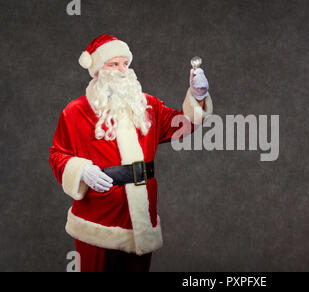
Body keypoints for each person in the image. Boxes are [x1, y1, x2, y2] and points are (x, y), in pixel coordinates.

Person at [49, 34, 213, 272]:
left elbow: (183, 124)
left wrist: (198, 97)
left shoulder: (147, 106)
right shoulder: (76, 111)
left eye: (125, 63)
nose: (122, 70)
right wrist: (81, 170)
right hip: (98, 219)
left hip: (140, 218)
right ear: (96, 70)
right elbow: (57, 154)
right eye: (113, 64)